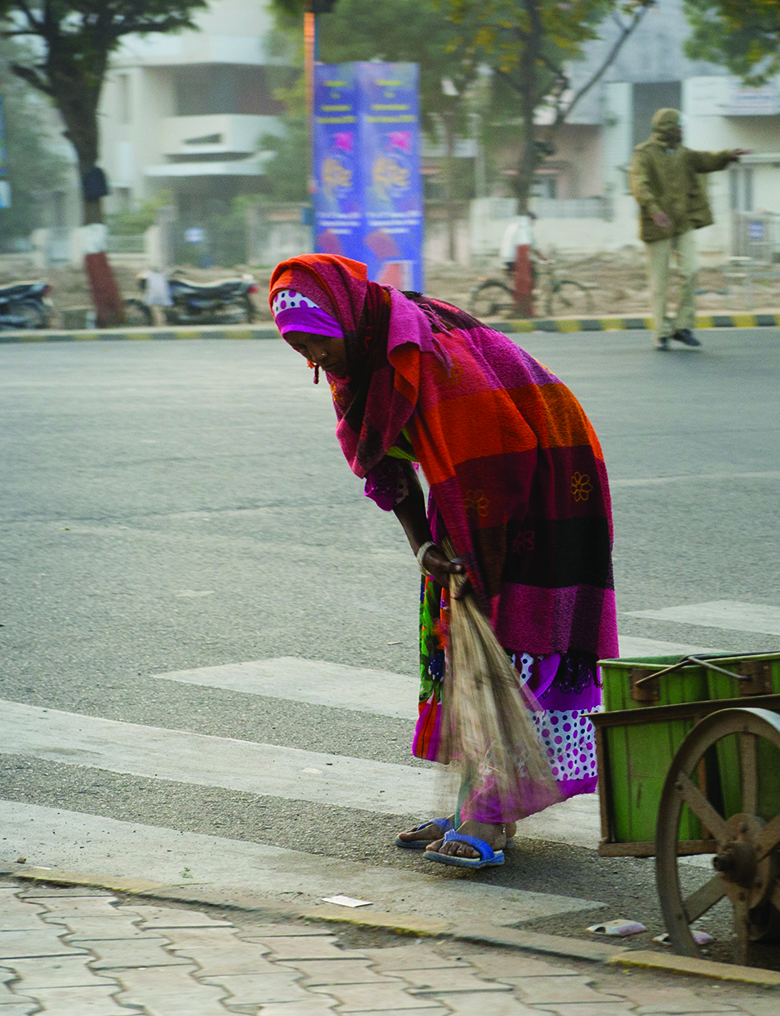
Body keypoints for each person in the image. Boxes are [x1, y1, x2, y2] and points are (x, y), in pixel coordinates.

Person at [269, 253, 619, 868]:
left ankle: (489, 815)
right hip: (469, 490)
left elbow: (500, 453)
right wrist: (423, 545)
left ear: (347, 321)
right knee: (462, 642)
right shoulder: (355, 360)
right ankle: (473, 804)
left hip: (544, 477)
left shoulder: (428, 354)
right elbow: (387, 464)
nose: (317, 362)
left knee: (509, 641)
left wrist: (476, 566)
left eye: (322, 346)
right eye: (304, 351)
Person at [628, 108, 747, 350]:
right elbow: (639, 183)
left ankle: (682, 327)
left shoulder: (683, 154)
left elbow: (706, 160)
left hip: (682, 224)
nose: (682, 131)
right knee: (659, 283)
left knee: (691, 270)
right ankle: (661, 332)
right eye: (679, 126)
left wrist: (728, 155)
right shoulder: (645, 154)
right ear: (669, 129)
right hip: (657, 226)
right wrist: (653, 208)